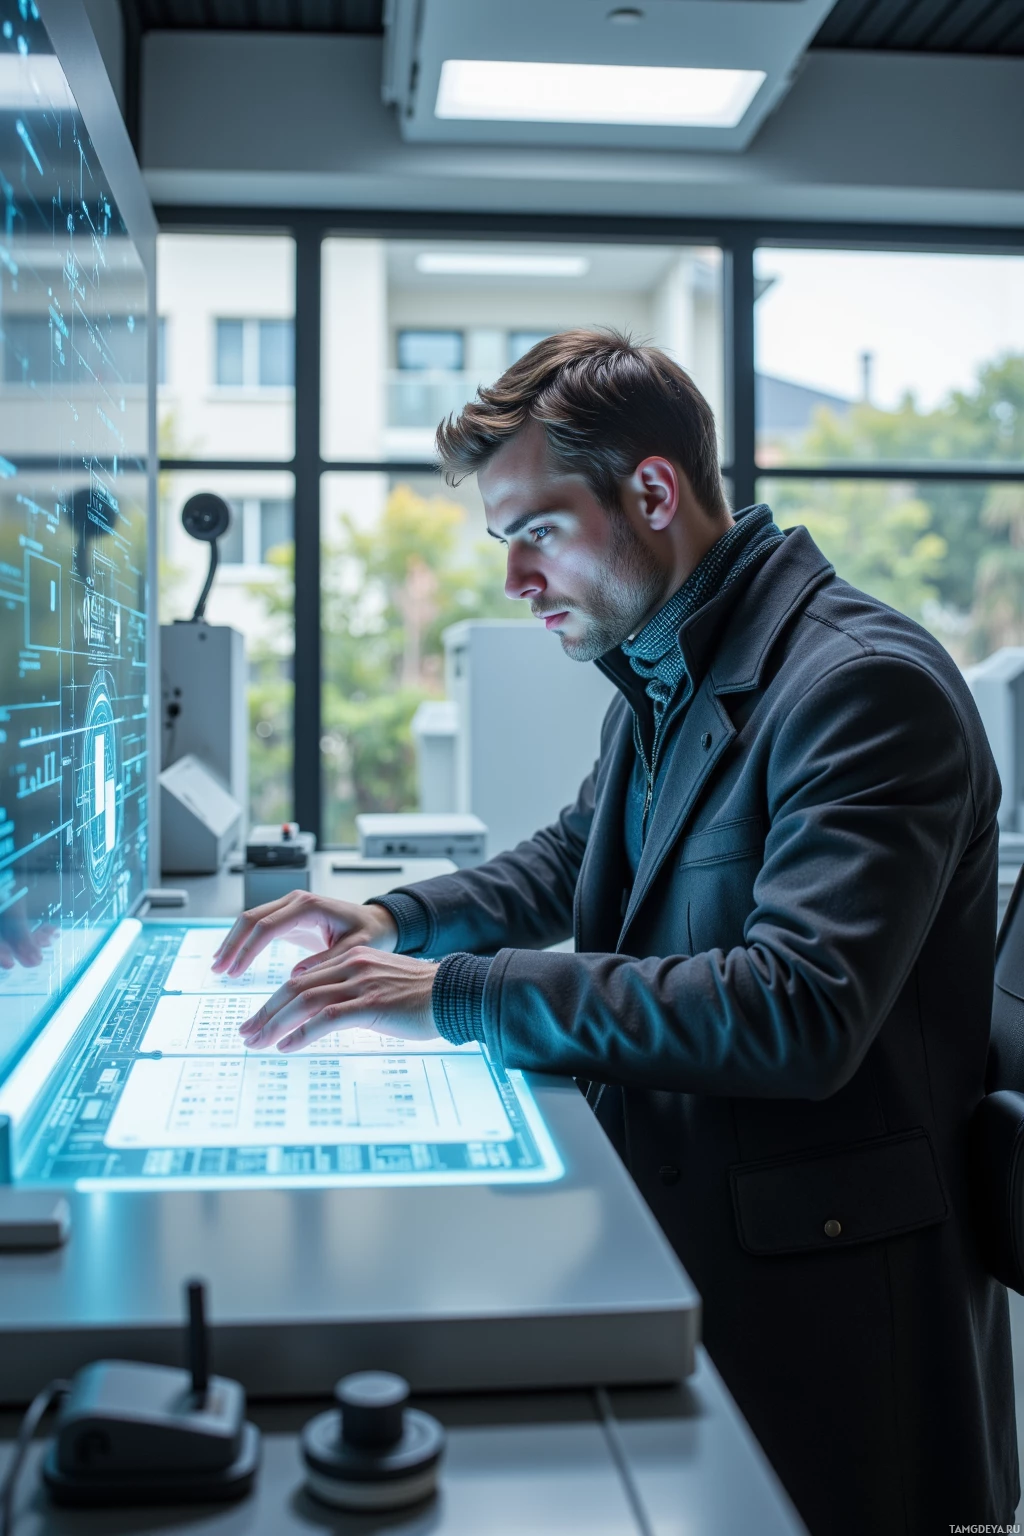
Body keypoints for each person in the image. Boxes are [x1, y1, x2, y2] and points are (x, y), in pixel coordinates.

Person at [212, 330, 1018, 1534]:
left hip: (831, 1320)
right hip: (690, 1230)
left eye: (535, 533)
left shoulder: (859, 686)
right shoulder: (669, 665)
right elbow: (572, 857)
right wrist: (391, 917)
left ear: (650, 492)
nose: (515, 582)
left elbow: (794, 1011)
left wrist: (456, 993)